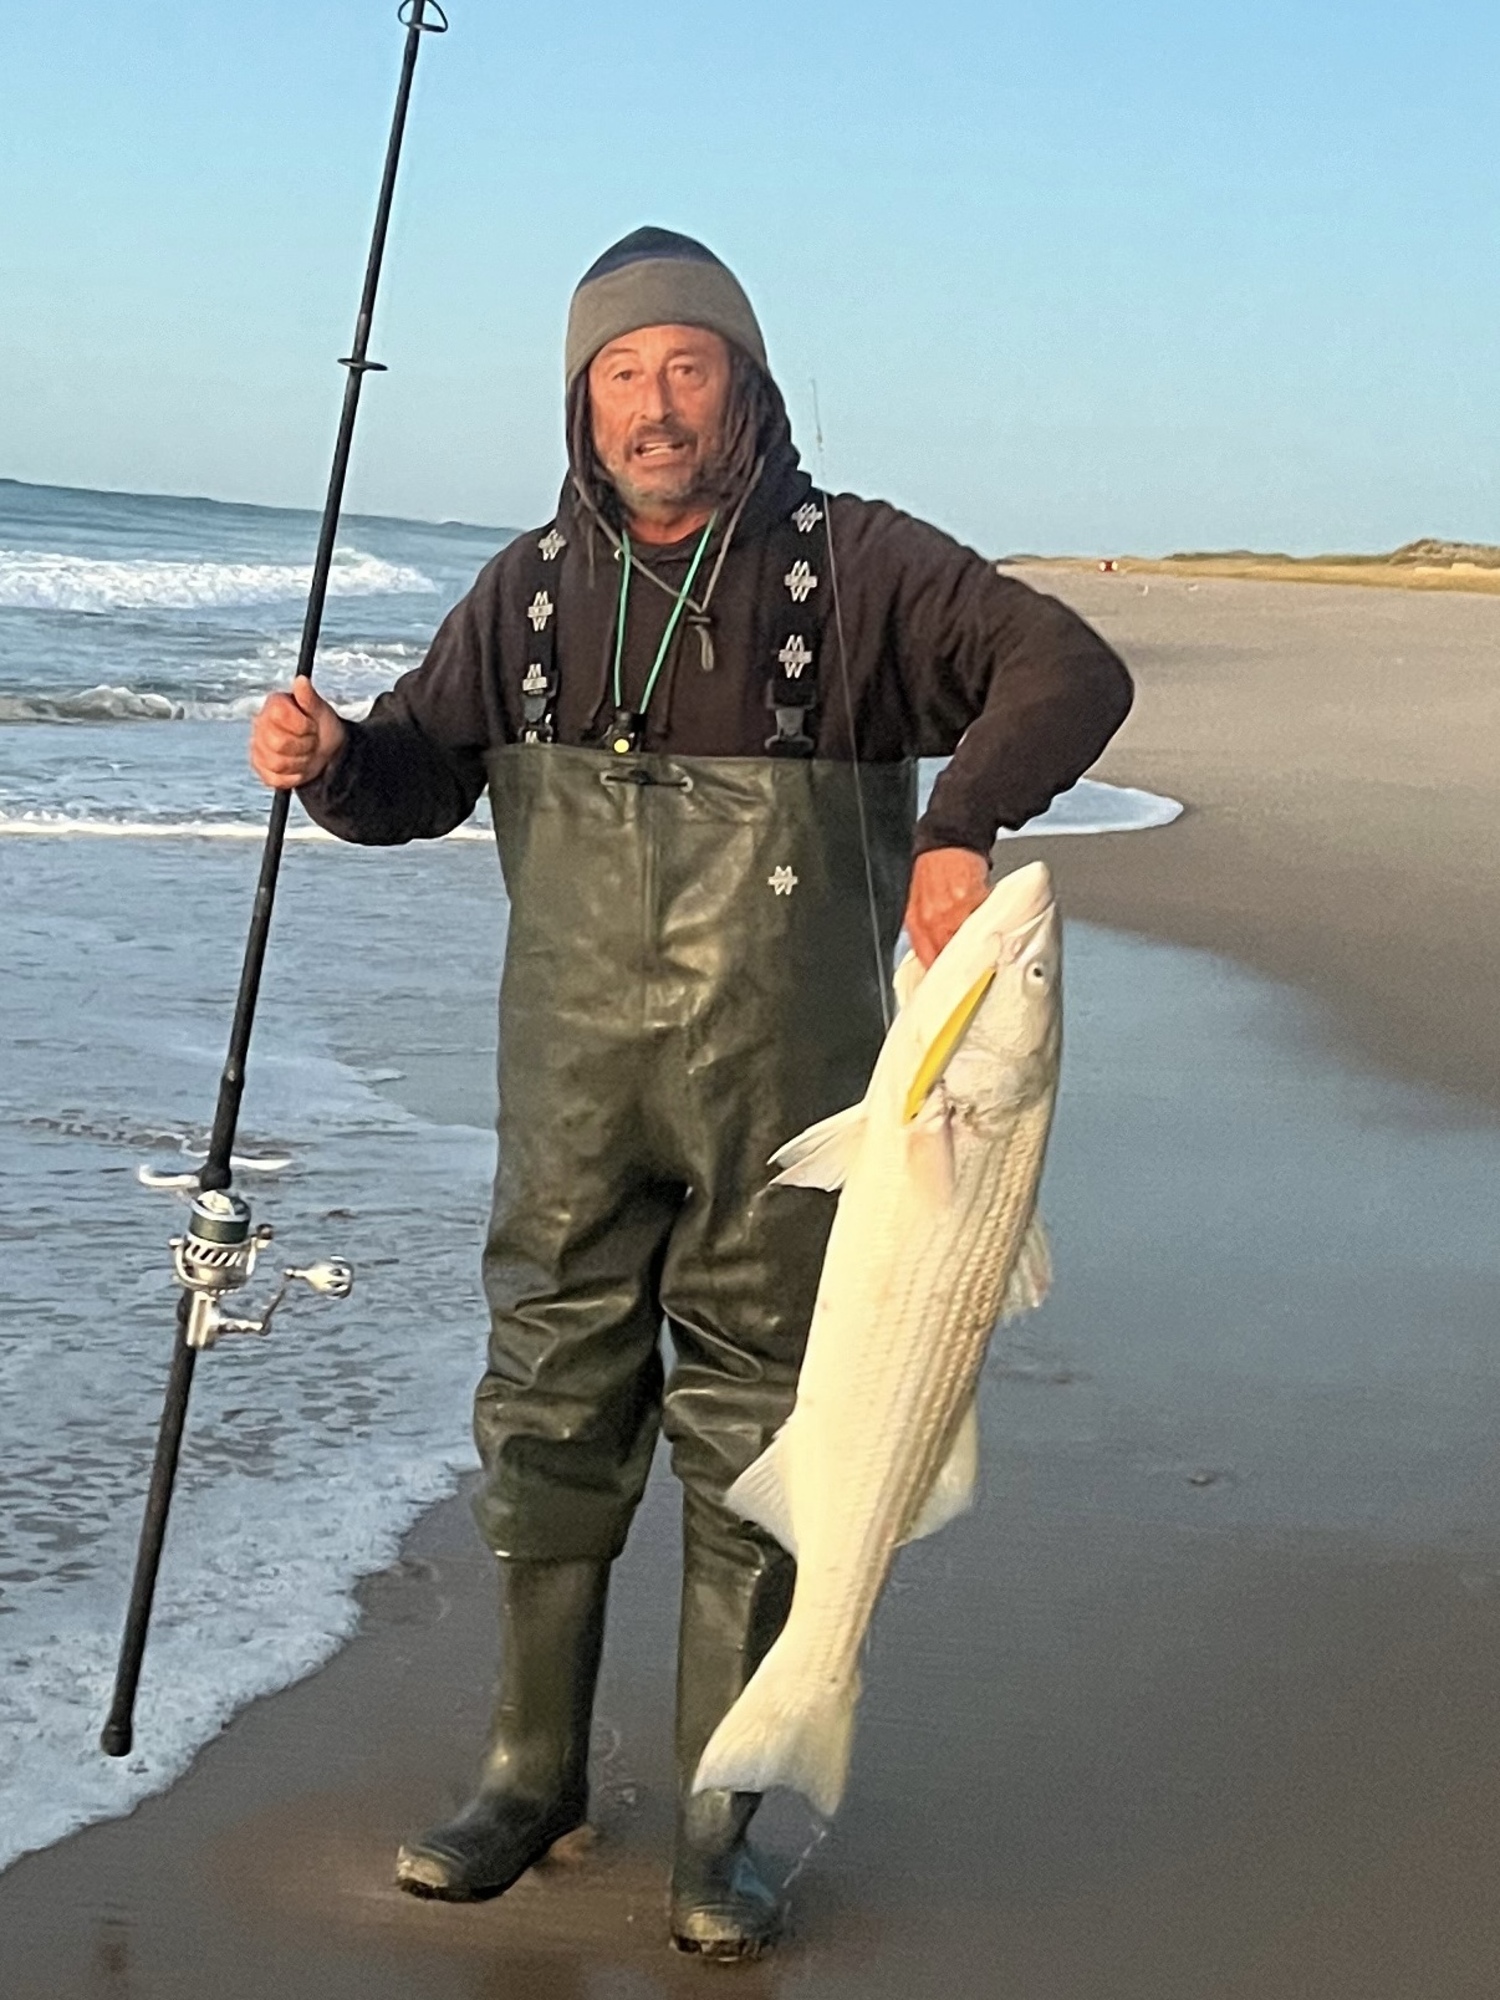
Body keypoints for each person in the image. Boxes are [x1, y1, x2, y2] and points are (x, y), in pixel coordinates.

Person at [250, 226, 1132, 1959]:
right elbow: (423, 774)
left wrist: (957, 831)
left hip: (791, 1123)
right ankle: (527, 1772)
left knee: (758, 1424)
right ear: (583, 405)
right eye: (622, 373)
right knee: (551, 1396)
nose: (656, 405)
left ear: (745, 381)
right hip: (575, 1099)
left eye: (688, 365)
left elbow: (1069, 670)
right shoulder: (525, 593)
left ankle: (721, 1819)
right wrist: (338, 761)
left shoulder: (858, 571)